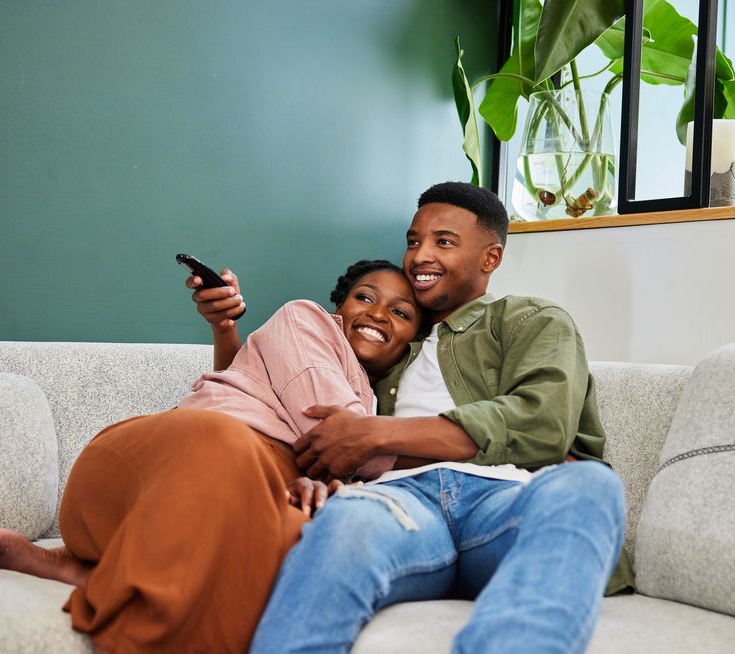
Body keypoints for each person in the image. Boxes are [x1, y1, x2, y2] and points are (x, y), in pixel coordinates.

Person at [198, 182, 632, 654]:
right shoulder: (388, 349)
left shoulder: (529, 319)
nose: (420, 255)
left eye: (443, 242)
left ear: (490, 258)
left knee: (591, 486)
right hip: (400, 505)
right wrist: (227, 331)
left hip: (505, 501)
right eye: (413, 241)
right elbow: (278, 396)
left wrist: (372, 434)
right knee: (344, 523)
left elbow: (542, 423)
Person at [0, 259, 424, 654]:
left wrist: (328, 488)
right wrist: (446, 442)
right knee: (221, 439)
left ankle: (86, 573)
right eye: (365, 298)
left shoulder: (371, 405)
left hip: (235, 498)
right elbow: (329, 432)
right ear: (338, 310)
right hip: (157, 467)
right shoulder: (305, 320)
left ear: (410, 343)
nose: (379, 314)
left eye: (401, 313)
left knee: (314, 541)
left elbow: (341, 454)